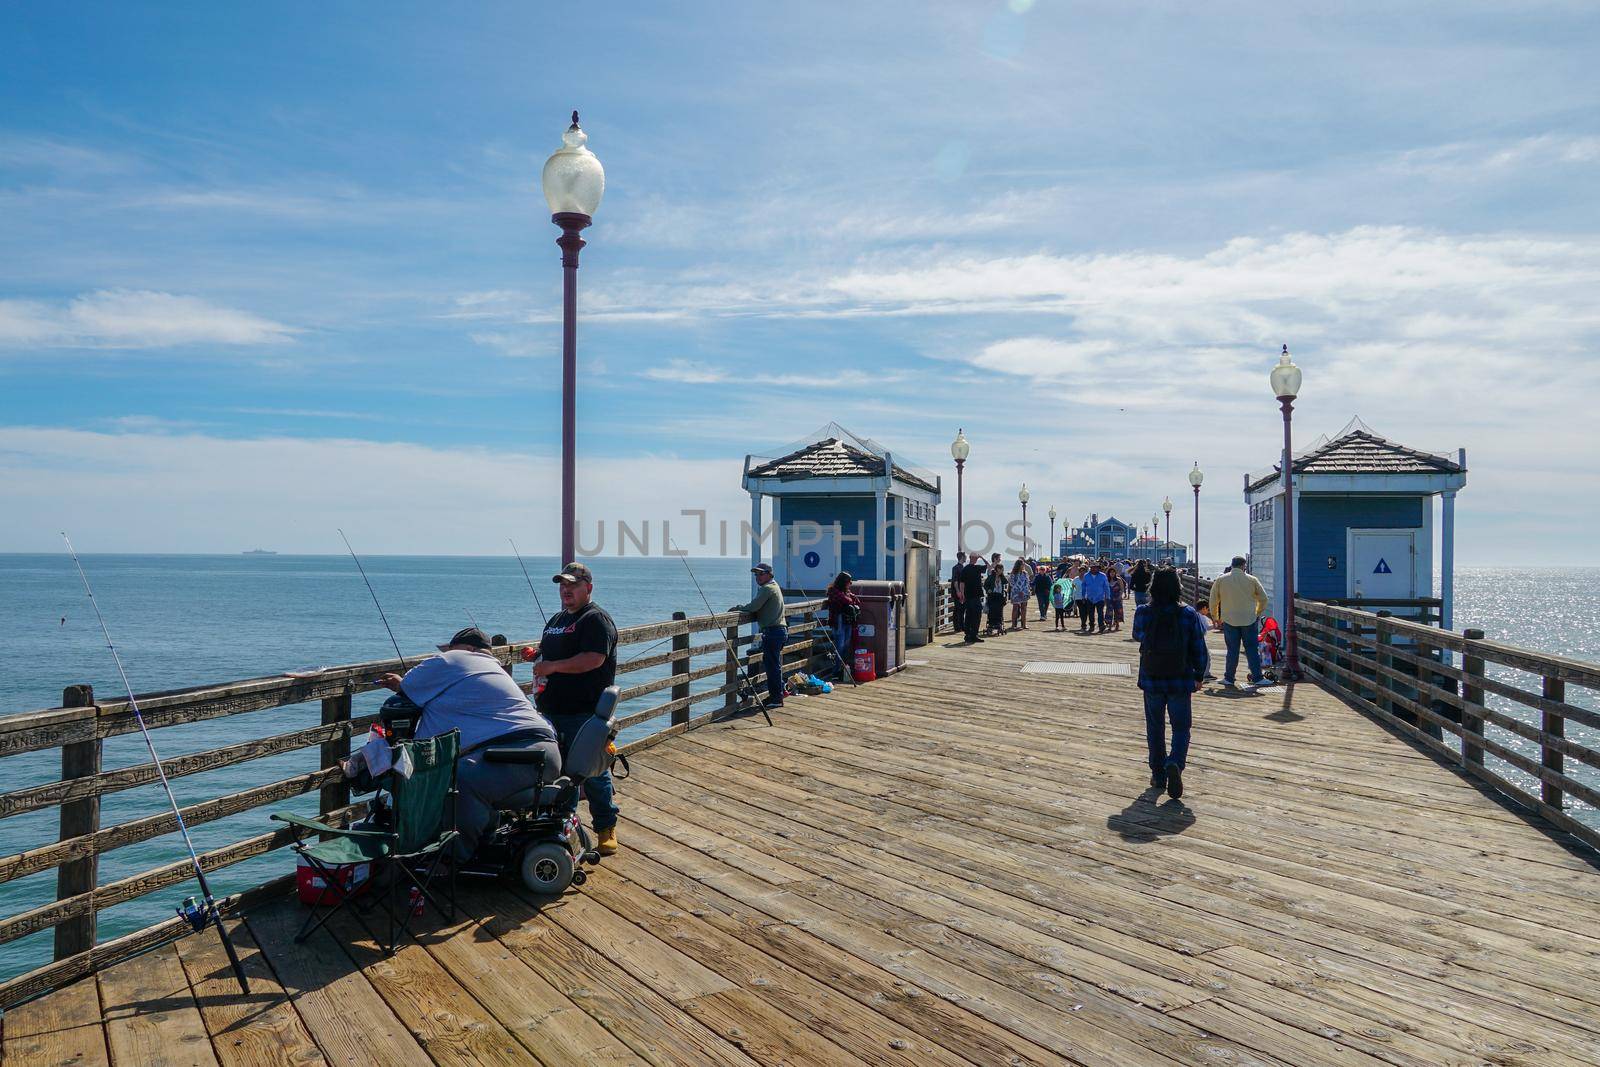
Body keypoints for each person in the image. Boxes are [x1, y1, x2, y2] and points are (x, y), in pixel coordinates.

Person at [377, 626, 561, 862]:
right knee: (476, 771)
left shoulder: (454, 659)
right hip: (542, 753)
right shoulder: (494, 670)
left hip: (521, 754)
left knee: (461, 780)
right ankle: (486, 840)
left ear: (469, 649)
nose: (447, 653)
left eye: (451, 649)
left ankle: (455, 859)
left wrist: (401, 683)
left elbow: (409, 684)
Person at [534, 562, 623, 854]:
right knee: (559, 774)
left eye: (572, 585)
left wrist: (553, 666)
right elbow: (553, 649)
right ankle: (566, 828)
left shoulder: (595, 619)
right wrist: (537, 655)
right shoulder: (558, 619)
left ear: (588, 587)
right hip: (552, 710)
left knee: (592, 773)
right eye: (562, 585)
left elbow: (594, 659)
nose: (566, 590)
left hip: (585, 711)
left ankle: (606, 827)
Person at [1132, 568, 1209, 799]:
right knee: (1181, 727)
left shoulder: (1143, 612)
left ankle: (1158, 773)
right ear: (1178, 587)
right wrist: (1198, 676)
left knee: (1155, 727)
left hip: (1152, 678)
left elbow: (1138, 635)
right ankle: (1174, 762)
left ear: (1153, 587)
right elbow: (1198, 648)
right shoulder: (1188, 614)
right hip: (1180, 678)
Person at [1208, 555, 1270, 688]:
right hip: (1249, 619)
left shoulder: (1221, 580)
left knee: (1232, 650)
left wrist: (1216, 617)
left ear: (1232, 565)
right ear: (1243, 566)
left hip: (1229, 619)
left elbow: (1213, 600)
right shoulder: (1252, 579)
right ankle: (1258, 678)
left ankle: (1229, 678)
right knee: (1252, 649)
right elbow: (1264, 599)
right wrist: (1257, 612)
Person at [732, 562, 787, 706]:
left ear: (769, 574)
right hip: (780, 631)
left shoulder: (767, 589)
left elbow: (754, 607)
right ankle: (779, 692)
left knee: (772, 667)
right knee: (775, 665)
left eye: (761, 574)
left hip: (773, 632)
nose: (758, 577)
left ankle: (776, 698)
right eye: (756, 574)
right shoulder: (775, 587)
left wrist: (738, 608)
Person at [825, 571, 860, 665]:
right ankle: (836, 669)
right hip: (838, 620)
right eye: (849, 581)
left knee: (846, 645)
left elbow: (856, 600)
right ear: (843, 582)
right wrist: (851, 599)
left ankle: (843, 668)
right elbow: (846, 600)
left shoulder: (845, 591)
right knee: (839, 646)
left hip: (847, 620)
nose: (851, 583)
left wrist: (851, 599)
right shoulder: (833, 591)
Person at [960, 552, 986, 643]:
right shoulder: (975, 568)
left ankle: (968, 635)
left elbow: (962, 583)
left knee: (969, 615)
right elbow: (989, 566)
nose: (976, 559)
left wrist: (962, 594)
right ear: (973, 558)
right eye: (976, 558)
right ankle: (973, 635)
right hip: (973, 596)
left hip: (969, 595)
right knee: (975, 616)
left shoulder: (967, 569)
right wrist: (982, 557)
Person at [1080, 562, 1110, 633]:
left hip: (1100, 598)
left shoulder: (1103, 576)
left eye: (1095, 567)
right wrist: (1083, 596)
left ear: (1098, 568)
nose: (1093, 569)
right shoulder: (1086, 576)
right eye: (1092, 567)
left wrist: (1107, 597)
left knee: (1100, 613)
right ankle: (1091, 626)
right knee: (1090, 613)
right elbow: (1083, 586)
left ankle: (1101, 626)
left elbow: (1106, 587)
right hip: (1090, 598)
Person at [985, 554, 1007, 636]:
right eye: (1000, 569)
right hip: (992, 595)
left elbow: (1006, 582)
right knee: (992, 610)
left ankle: (998, 622)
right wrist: (988, 590)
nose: (1001, 571)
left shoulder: (1002, 577)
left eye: (1002, 569)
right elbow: (985, 585)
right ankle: (991, 623)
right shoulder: (991, 576)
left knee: (999, 610)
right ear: (997, 569)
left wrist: (1002, 575)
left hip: (999, 596)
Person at [1009, 559, 1031, 631]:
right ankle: (1013, 624)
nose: (1023, 565)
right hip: (1016, 593)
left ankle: (1024, 624)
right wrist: (1019, 591)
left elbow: (1027, 583)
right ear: (1018, 565)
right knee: (1015, 608)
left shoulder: (1025, 573)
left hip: (1024, 592)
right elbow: (1012, 583)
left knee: (1024, 608)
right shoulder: (1013, 573)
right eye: (1022, 564)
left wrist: (1025, 591)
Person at [949, 551, 967, 633]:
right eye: (965, 556)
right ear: (962, 557)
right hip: (957, 592)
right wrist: (958, 591)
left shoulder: (962, 567)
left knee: (962, 609)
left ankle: (962, 626)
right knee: (958, 609)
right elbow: (955, 581)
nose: (966, 558)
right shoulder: (956, 568)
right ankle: (957, 626)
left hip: (962, 591)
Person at [1108, 566, 1127, 633]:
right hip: (1109, 598)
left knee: (1117, 611)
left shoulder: (1118, 579)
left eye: (1113, 572)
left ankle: (1117, 624)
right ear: (1109, 573)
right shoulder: (1107, 580)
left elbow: (1122, 588)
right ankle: (1109, 625)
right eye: (1111, 572)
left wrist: (1120, 595)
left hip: (1117, 598)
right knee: (1109, 612)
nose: (1112, 573)